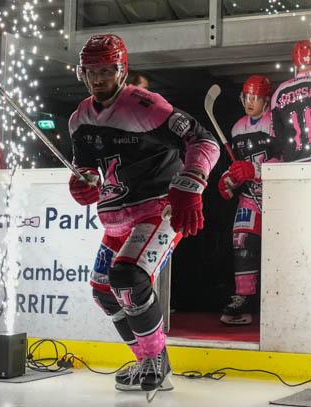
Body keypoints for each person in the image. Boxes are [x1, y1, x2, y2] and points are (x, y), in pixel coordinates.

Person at [67, 34, 219, 393]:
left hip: (157, 209)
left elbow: (203, 141)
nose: (99, 78)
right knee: (104, 292)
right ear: (81, 73)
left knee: (128, 279)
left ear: (122, 70)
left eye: (107, 70)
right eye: (91, 71)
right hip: (116, 218)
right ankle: (146, 360)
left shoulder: (145, 104)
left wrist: (190, 184)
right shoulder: (79, 120)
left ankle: (156, 361)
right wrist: (82, 184)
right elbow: (86, 170)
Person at [217, 75, 282, 325]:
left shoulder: (277, 123)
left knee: (281, 248)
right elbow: (236, 165)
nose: (250, 102)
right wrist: (229, 181)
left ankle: (278, 297)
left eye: (255, 98)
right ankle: (244, 298)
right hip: (250, 196)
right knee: (242, 239)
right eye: (247, 97)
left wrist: (255, 171)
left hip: (278, 196)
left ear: (266, 100)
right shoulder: (236, 128)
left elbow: (285, 159)